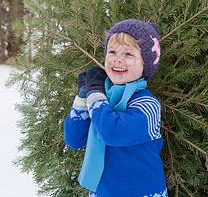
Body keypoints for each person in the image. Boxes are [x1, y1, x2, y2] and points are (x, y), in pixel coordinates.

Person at [64, 19, 167, 197]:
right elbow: (74, 139)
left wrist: (94, 92)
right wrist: (83, 95)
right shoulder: (104, 100)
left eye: (128, 54)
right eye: (112, 52)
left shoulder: (148, 106)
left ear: (145, 65)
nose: (118, 59)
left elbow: (112, 132)